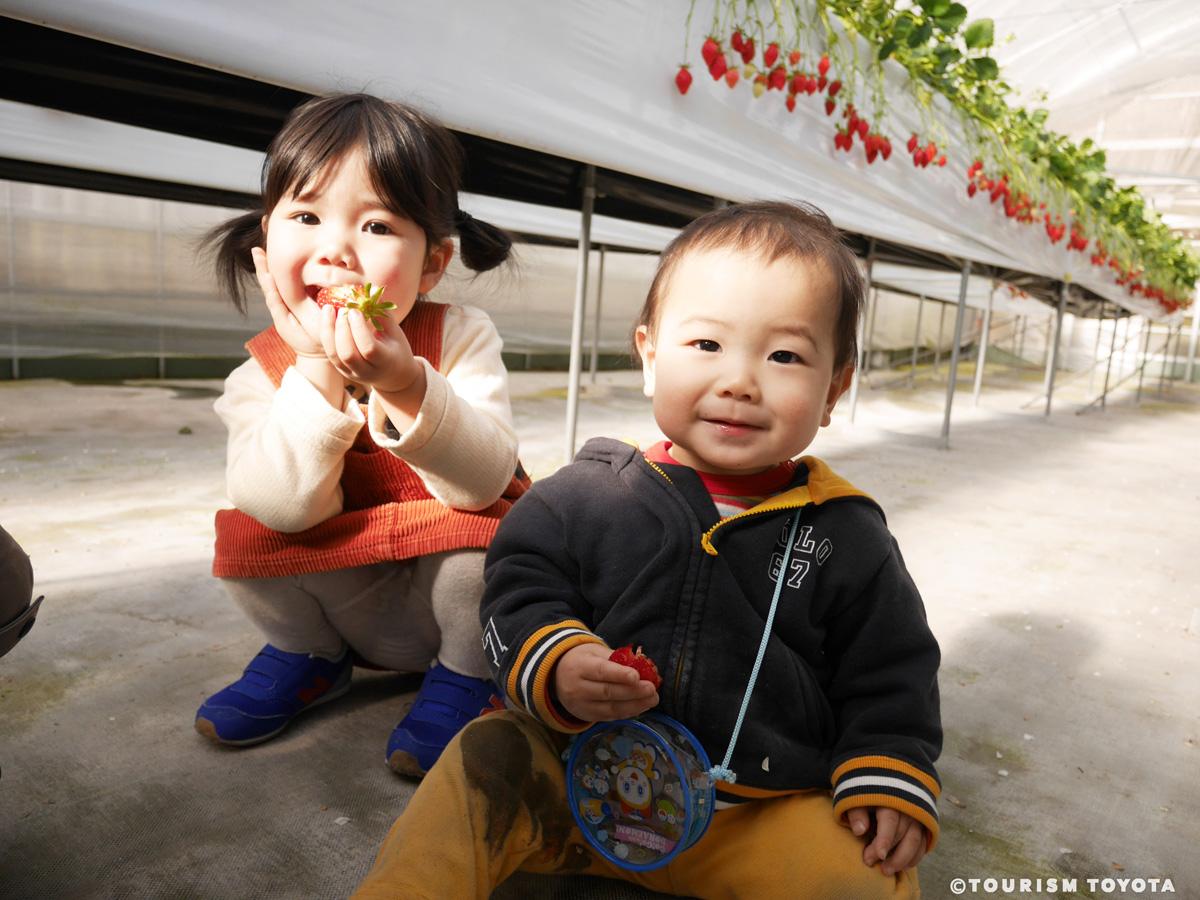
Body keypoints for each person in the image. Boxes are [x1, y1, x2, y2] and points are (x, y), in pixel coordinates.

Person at [354, 201, 942, 898]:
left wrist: (887, 767)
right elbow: (516, 585)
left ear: (834, 389)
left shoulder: (847, 535)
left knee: (865, 875)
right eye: (705, 346)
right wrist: (559, 658)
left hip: (751, 812)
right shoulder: (588, 496)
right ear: (649, 355)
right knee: (482, 760)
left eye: (785, 355)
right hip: (573, 789)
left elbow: (889, 671)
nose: (739, 381)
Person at [196, 93, 527, 778]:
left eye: (375, 226)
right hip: (350, 599)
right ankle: (308, 656)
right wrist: (314, 367)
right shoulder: (258, 373)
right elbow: (283, 507)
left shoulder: (459, 338)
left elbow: (484, 481)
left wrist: (407, 384)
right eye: (307, 216)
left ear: (432, 264)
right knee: (245, 535)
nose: (336, 249)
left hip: (441, 603)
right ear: (268, 240)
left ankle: (468, 675)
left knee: (485, 556)